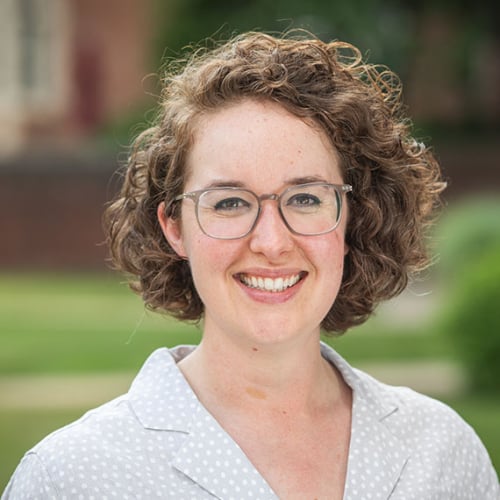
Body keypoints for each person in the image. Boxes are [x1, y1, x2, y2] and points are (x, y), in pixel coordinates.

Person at [3, 31, 499, 500]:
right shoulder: (71, 478)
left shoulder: (442, 454)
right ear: (174, 227)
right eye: (229, 203)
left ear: (354, 216)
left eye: (305, 198)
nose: (271, 242)